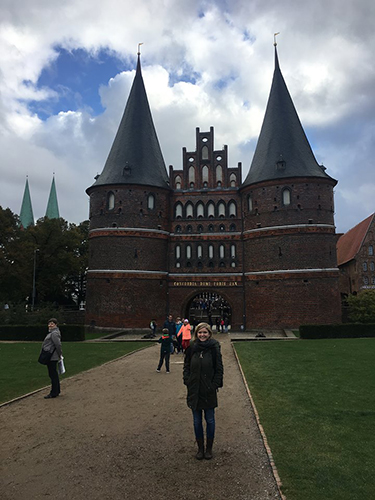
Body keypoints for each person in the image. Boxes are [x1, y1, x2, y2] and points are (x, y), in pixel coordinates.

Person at [183, 322, 224, 460]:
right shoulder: (192, 348)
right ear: (196, 333)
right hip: (194, 389)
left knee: (210, 420)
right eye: (200, 332)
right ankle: (200, 449)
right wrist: (187, 380)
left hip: (208, 390)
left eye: (205, 332)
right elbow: (187, 365)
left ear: (209, 334)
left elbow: (219, 369)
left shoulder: (214, 348)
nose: (202, 335)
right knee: (196, 421)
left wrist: (214, 385)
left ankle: (209, 449)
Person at [42, 318, 63, 399]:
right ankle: (56, 390)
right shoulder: (52, 333)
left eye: (52, 324)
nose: (50, 325)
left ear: (55, 325)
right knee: (53, 374)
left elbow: (58, 344)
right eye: (49, 324)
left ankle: (54, 392)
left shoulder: (54, 333)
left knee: (53, 374)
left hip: (52, 356)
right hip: (51, 356)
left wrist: (59, 354)